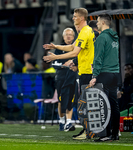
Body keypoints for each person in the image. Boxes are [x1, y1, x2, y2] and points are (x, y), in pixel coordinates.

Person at [43, 8, 95, 140]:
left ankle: (89, 131)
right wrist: (56, 47)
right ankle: (86, 130)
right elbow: (72, 47)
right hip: (83, 71)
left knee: (86, 103)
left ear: (82, 18)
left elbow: (74, 53)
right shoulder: (84, 32)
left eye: (75, 16)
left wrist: (55, 57)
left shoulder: (85, 32)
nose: (73, 18)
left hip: (87, 72)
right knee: (84, 102)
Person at [89, 13, 120, 142]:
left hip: (105, 73)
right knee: (114, 104)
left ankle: (105, 134)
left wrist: (94, 75)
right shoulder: (115, 37)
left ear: (102, 23)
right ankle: (115, 134)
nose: (96, 24)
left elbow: (98, 58)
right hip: (115, 73)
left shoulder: (102, 37)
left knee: (103, 105)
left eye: (97, 22)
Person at [51, 28, 77, 132]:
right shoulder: (59, 48)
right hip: (61, 77)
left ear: (74, 36)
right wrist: (63, 65)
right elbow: (54, 63)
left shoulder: (76, 48)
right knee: (61, 99)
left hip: (72, 76)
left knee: (71, 98)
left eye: (70, 34)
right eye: (67, 34)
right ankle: (61, 121)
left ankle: (69, 121)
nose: (69, 36)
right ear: (63, 36)